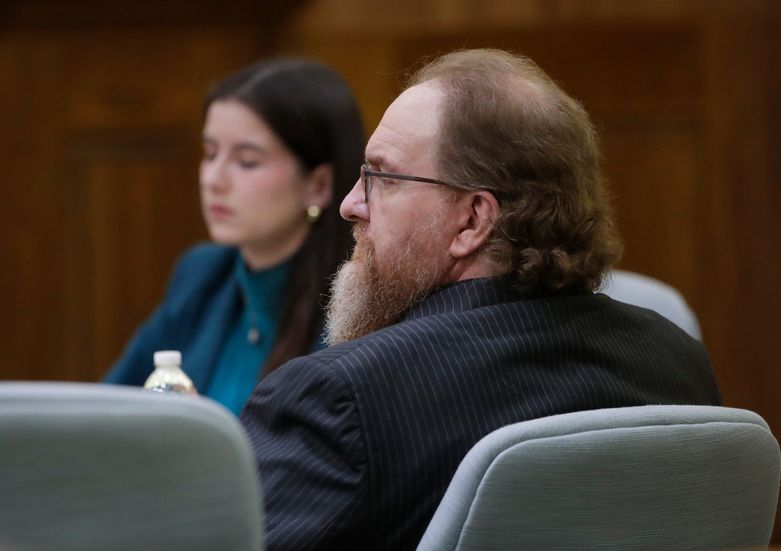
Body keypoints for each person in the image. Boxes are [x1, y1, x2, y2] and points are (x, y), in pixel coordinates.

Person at [240, 48, 721, 550]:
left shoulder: (339, 400)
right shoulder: (676, 364)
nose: (350, 204)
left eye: (383, 177)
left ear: (472, 220)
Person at [104, 58, 364, 414]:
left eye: (246, 161)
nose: (213, 179)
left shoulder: (353, 308)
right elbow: (105, 409)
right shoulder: (202, 274)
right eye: (210, 154)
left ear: (318, 185)